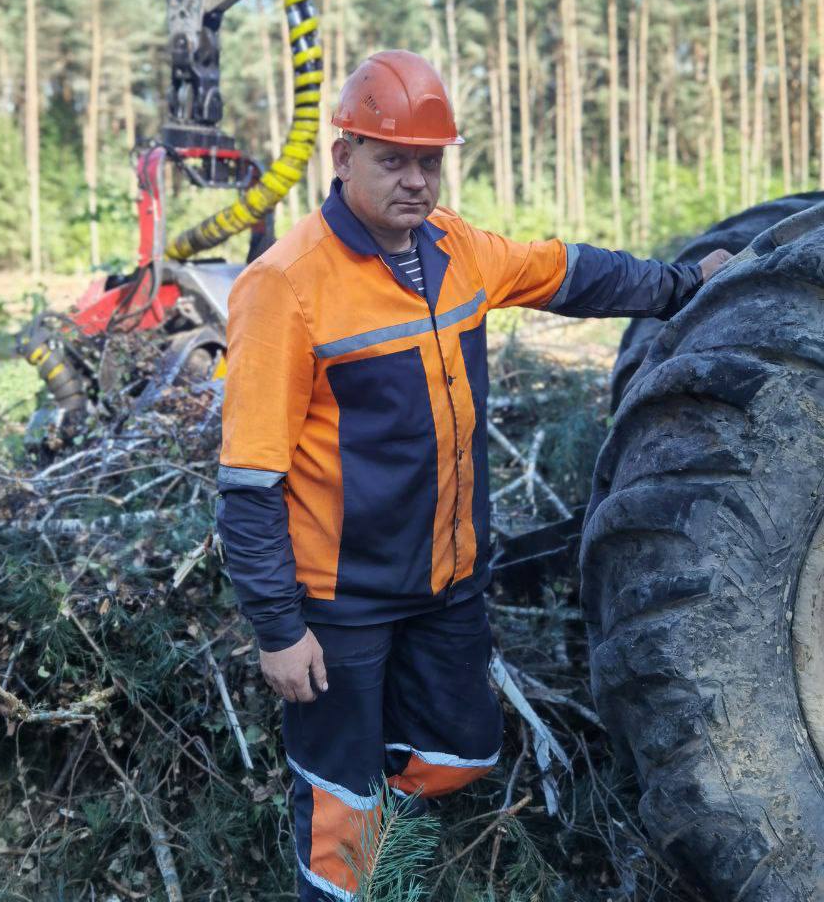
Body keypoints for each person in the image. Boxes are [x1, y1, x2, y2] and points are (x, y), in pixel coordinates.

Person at [216, 50, 731, 901]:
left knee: (462, 753)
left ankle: (388, 840)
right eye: (393, 160)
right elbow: (249, 483)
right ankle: (358, 875)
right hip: (341, 598)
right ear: (342, 157)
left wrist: (678, 285)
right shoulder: (286, 286)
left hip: (447, 581)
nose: (415, 181)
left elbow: (565, 270)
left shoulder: (453, 247)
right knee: (338, 813)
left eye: (429, 161)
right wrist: (278, 628)